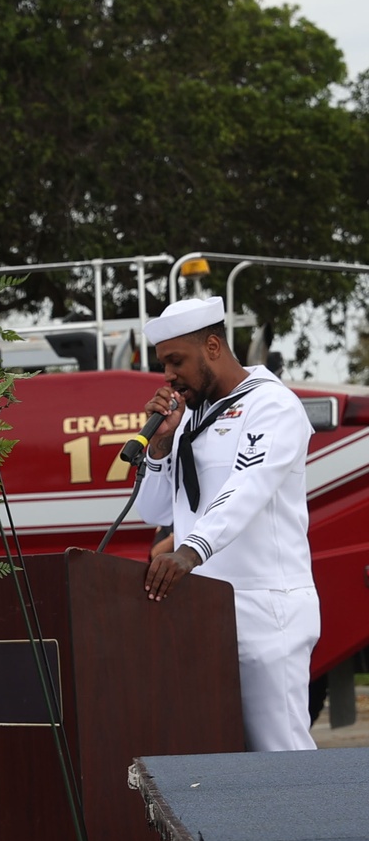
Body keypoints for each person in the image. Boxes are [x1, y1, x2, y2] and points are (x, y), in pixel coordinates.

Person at [137, 295, 320, 751]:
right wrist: (158, 447)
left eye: (176, 361)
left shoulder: (272, 405)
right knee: (221, 762)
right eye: (163, 365)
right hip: (205, 608)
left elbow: (249, 487)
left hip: (264, 607)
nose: (168, 376)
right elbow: (154, 512)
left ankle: (313, 826)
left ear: (213, 346)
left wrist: (190, 549)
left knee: (281, 755)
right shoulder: (187, 419)